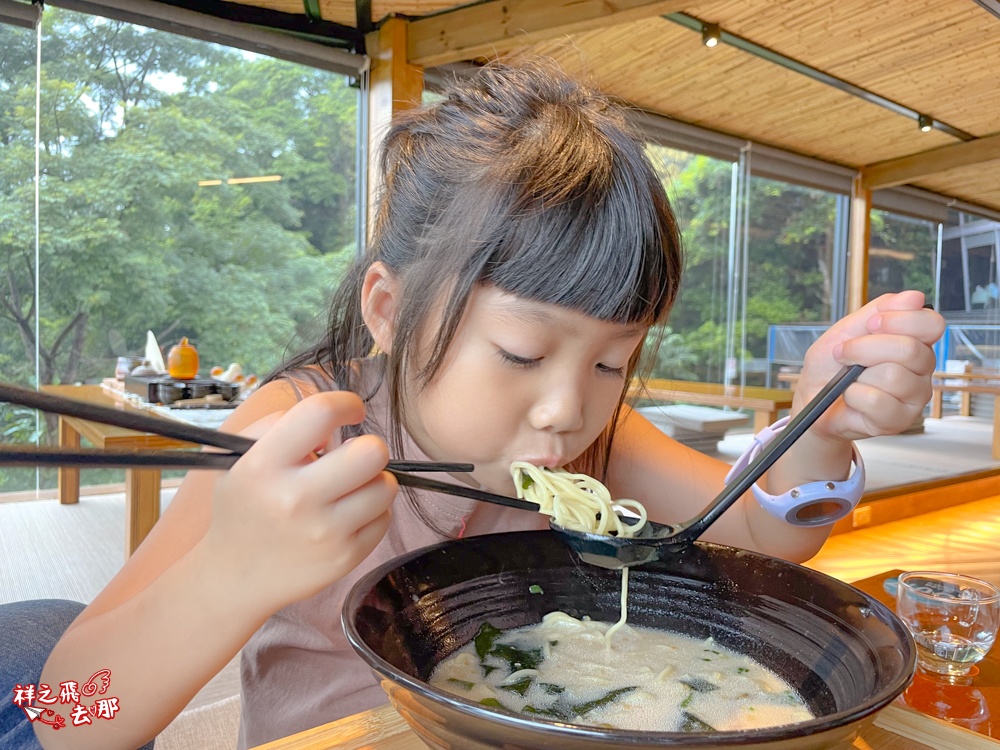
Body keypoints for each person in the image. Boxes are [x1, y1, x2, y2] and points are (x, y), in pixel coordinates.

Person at [29, 59, 944, 750]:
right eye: (522, 352)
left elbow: (762, 531)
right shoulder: (297, 428)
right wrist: (228, 571)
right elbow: (67, 716)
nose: (564, 410)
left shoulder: (591, 441)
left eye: (613, 362)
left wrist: (821, 427)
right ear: (388, 310)